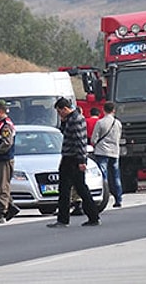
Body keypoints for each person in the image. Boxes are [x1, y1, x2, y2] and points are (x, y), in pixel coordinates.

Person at [47, 97, 101, 227]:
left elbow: (80, 141)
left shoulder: (75, 120)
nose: (60, 115)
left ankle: (64, 219)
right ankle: (92, 216)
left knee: (70, 189)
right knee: (77, 188)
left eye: (60, 112)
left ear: (65, 109)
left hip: (72, 158)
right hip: (71, 157)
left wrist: (81, 160)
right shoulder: (73, 118)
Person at [0, 100, 20, 224]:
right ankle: (10, 206)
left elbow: (7, 143)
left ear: (0, 110)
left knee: (2, 186)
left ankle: (1, 212)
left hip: (4, 160)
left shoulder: (6, 125)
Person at [92, 101, 123, 208]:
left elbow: (94, 139)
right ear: (113, 110)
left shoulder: (100, 123)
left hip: (102, 151)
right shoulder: (118, 123)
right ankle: (118, 198)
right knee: (116, 175)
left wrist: (95, 144)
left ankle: (104, 196)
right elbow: (118, 137)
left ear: (103, 110)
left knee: (103, 175)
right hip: (114, 151)